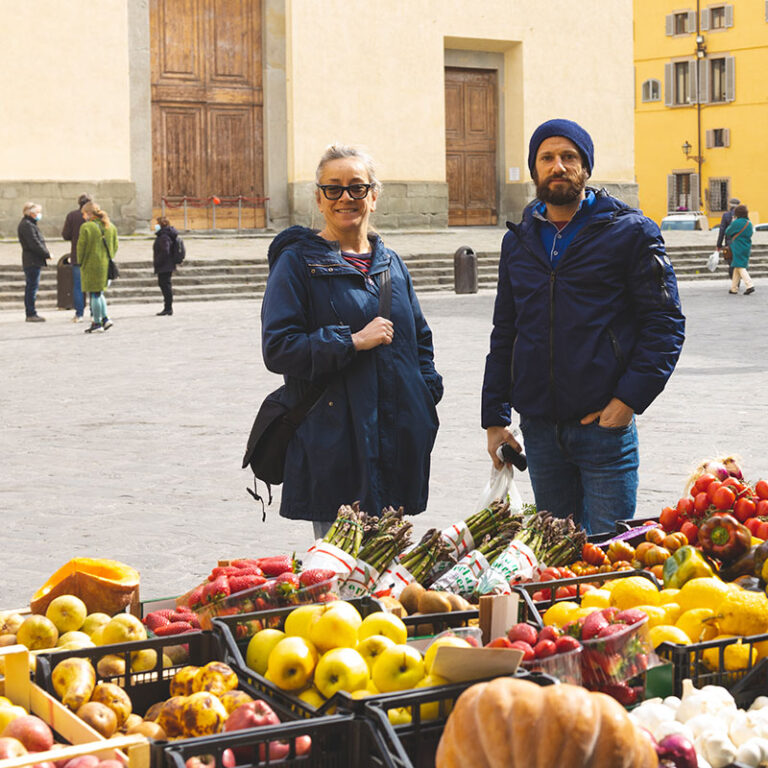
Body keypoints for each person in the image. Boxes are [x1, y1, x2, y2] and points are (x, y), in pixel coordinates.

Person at [482, 118, 686, 535]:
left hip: (603, 430)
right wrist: (495, 418)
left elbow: (664, 322)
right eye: (547, 158)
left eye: (569, 157)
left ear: (586, 168)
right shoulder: (518, 242)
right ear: (534, 170)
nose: (558, 166)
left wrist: (628, 400)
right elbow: (505, 332)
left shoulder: (630, 232)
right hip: (539, 431)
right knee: (557, 560)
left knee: (608, 551)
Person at [260, 144, 443, 539]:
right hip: (335, 445)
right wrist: (352, 341)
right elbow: (278, 347)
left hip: (395, 444)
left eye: (357, 187)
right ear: (319, 199)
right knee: (341, 573)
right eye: (334, 188)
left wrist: (425, 395)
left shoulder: (391, 263)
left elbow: (421, 341)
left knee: (386, 575)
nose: (346, 197)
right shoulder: (297, 264)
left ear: (374, 197)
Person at [77, 201, 118, 333]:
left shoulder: (87, 227)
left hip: (91, 264)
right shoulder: (110, 226)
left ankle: (97, 322)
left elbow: (81, 248)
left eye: (83, 214)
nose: (83, 216)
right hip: (106, 264)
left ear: (88, 213)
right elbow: (115, 246)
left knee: (94, 294)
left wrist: (80, 261)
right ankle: (105, 318)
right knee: (99, 292)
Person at [18, 202, 52, 322]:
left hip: (33, 260)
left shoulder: (30, 224)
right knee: (31, 287)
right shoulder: (27, 225)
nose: (39, 214)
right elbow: (34, 243)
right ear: (31, 213)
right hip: (32, 260)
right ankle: (31, 313)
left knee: (32, 286)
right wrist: (47, 254)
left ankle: (31, 312)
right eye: (37, 212)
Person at [61, 193, 92, 322]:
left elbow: (66, 234)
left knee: (78, 286)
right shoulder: (94, 216)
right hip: (91, 256)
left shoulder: (72, 216)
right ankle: (94, 313)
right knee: (93, 286)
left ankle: (79, 313)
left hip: (77, 255)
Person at [152, 216, 179, 316]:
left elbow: (165, 250)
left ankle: (168, 308)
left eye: (157, 224)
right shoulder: (165, 234)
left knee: (165, 286)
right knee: (165, 285)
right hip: (167, 264)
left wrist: (158, 261)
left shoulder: (164, 236)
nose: (155, 226)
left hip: (165, 265)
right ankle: (167, 307)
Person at [726, 203, 754, 296]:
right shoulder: (749, 223)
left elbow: (728, 232)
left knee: (740, 266)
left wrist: (733, 221)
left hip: (737, 246)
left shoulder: (737, 222)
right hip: (746, 246)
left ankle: (749, 285)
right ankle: (734, 288)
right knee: (737, 265)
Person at [717, 197, 741, 280]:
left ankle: (734, 281)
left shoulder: (726, 215)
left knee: (731, 263)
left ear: (730, 205)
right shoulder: (742, 216)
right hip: (740, 243)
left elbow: (722, 231)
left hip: (729, 243)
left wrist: (719, 244)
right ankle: (736, 282)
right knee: (738, 262)